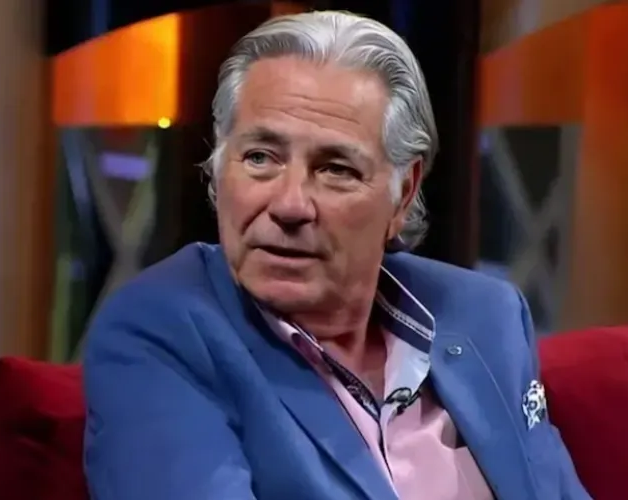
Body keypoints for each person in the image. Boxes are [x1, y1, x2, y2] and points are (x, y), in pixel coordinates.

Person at [83, 10, 591, 500]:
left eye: (335, 169)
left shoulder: (486, 316)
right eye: (260, 157)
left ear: (404, 193)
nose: (289, 205)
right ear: (220, 166)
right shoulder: (162, 331)